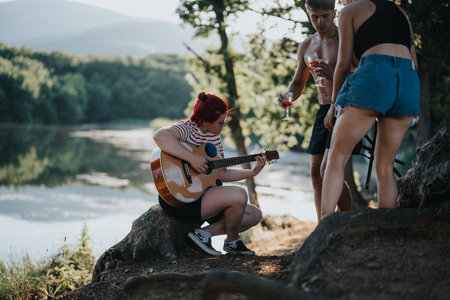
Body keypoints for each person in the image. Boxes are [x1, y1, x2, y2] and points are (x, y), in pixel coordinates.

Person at [321, 0, 420, 219]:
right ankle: (385, 231)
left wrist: (335, 105)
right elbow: (414, 61)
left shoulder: (349, 11)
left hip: (375, 74)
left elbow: (343, 64)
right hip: (407, 80)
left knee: (336, 158)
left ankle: (323, 228)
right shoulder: (401, 13)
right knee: (385, 167)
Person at [153, 91, 267, 256]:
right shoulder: (187, 128)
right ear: (206, 122)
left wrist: (251, 172)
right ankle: (232, 242)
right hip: (180, 199)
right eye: (221, 122)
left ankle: (205, 233)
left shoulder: (215, 138)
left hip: (204, 197)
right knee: (240, 194)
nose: (224, 126)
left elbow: (222, 174)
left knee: (254, 215)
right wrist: (192, 158)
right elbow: (160, 136)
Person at [278, 0, 352, 221]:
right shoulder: (306, 46)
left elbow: (360, 74)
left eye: (325, 16)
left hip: (346, 107)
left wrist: (335, 74)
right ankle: (322, 225)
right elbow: (298, 83)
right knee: (315, 171)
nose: (320, 22)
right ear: (308, 14)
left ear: (334, 13)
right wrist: (288, 97)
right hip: (323, 109)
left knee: (327, 170)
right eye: (314, 17)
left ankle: (349, 219)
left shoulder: (344, 39)